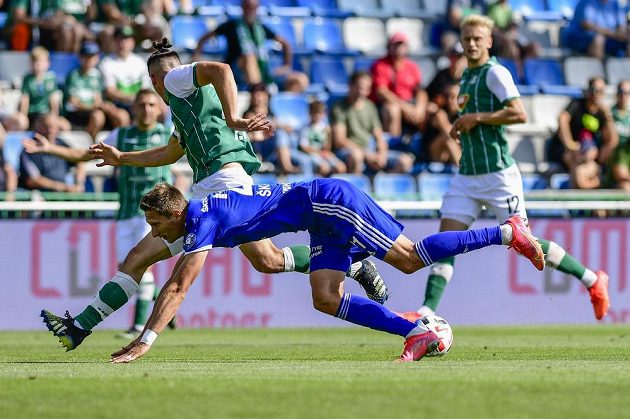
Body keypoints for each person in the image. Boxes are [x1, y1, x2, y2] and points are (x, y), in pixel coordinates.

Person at [39, 38, 387, 352]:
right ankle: (353, 265)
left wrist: (235, 117)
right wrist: (122, 158)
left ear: (154, 80)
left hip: (223, 185)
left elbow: (220, 68)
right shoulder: (186, 109)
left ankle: (90, 330)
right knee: (266, 260)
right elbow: (170, 153)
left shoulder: (175, 81)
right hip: (218, 182)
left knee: (156, 264)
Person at [44, 179, 544, 363]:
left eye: (156, 224)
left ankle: (506, 232)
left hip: (331, 203)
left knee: (410, 258)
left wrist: (144, 342)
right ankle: (415, 330)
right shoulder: (197, 211)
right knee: (324, 296)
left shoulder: (202, 219)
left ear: (173, 213)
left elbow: (178, 284)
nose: (156, 232)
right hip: (316, 216)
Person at [398, 15, 610, 322]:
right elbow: (477, 118)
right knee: (447, 241)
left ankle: (593, 280)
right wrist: (462, 125)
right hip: (467, 175)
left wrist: (476, 118)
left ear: (488, 41)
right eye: (466, 38)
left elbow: (518, 112)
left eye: (476, 39)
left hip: (498, 176)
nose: (471, 43)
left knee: (527, 244)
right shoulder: (467, 77)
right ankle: (426, 312)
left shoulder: (495, 72)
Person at [24, 89, 175, 339]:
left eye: (151, 104)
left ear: (159, 109)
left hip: (152, 216)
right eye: (142, 105)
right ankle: (165, 304)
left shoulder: (167, 135)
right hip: (126, 211)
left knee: (140, 267)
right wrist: (50, 148)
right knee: (126, 270)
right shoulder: (121, 135)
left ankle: (138, 327)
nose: (147, 109)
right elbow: (85, 155)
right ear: (134, 109)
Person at [192, 0, 308, 92]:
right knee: (249, 58)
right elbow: (204, 38)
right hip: (235, 70)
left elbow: (286, 44)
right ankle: (257, 91)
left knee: (300, 80)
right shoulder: (231, 25)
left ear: (257, 9)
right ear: (243, 7)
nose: (250, 10)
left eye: (253, 7)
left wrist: (286, 66)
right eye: (247, 7)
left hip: (263, 69)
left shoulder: (260, 27)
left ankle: (282, 110)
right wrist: (197, 55)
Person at [331, 71, 414, 175]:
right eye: (359, 87)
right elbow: (340, 140)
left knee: (405, 161)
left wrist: (382, 154)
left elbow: (379, 136)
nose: (362, 92)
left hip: (370, 150)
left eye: (366, 88)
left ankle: (385, 186)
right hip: (349, 151)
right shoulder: (339, 108)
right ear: (351, 86)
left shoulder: (370, 107)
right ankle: (355, 189)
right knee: (357, 156)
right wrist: (366, 154)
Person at [551, 77, 618, 189]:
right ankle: (594, 186)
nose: (596, 94)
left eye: (600, 91)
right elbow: (562, 118)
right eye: (594, 90)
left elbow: (612, 140)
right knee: (578, 166)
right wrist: (569, 143)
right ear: (588, 90)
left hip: (588, 155)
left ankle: (588, 188)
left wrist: (608, 117)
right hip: (570, 152)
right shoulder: (577, 104)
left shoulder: (602, 113)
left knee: (583, 170)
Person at [63, 41, 130, 139]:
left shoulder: (97, 75)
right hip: (77, 113)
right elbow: (74, 103)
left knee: (121, 115)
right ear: (80, 57)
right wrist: (97, 106)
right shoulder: (73, 75)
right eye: (86, 56)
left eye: (92, 56)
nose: (89, 60)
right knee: (98, 116)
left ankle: (120, 145)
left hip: (94, 109)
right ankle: (89, 147)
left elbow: (97, 99)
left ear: (97, 58)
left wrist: (106, 107)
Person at [370, 33, 428, 137]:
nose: (399, 48)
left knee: (432, 110)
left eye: (402, 45)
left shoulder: (412, 66)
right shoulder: (380, 65)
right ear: (389, 47)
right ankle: (394, 146)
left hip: (410, 102)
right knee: (392, 110)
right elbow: (382, 92)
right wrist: (405, 107)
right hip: (389, 104)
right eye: (396, 45)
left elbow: (420, 90)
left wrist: (420, 108)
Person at [18, 114, 85, 193]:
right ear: (37, 127)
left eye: (53, 126)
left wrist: (79, 184)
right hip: (38, 195)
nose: (50, 130)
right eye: (46, 126)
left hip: (62, 194)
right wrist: (63, 187)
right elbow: (32, 180)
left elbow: (79, 160)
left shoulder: (62, 144)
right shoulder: (30, 148)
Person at [99, 26, 152, 114]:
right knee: (123, 115)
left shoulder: (140, 62)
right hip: (117, 104)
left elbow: (145, 88)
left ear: (133, 42)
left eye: (126, 40)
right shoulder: (106, 63)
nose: (122, 43)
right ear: (114, 42)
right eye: (119, 39)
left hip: (139, 103)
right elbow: (110, 92)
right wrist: (133, 98)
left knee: (160, 108)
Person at [19, 47, 71, 131]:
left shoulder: (51, 78)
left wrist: (55, 117)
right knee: (42, 125)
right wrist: (24, 117)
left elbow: (53, 100)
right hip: (33, 114)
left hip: (47, 114)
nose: (38, 65)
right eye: (35, 62)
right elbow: (25, 100)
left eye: (41, 62)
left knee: (65, 126)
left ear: (48, 63)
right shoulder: (28, 79)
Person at [563, 0, 629, 59]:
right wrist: (613, 34)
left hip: (609, 37)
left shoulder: (615, 3)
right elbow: (586, 25)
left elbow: (622, 25)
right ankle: (597, 69)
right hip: (581, 37)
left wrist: (621, 33)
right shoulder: (587, 2)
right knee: (599, 39)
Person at [298, 101, 346, 177]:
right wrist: (320, 153)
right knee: (324, 168)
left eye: (321, 113)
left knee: (341, 167)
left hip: (323, 154)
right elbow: (304, 147)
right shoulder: (305, 128)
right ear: (310, 113)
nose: (318, 116)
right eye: (316, 113)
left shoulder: (324, 128)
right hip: (312, 154)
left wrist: (329, 136)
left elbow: (327, 148)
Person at [606, 80, 630, 191]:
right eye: (621, 91)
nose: (624, 95)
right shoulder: (609, 113)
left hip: (626, 154)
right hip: (615, 156)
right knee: (626, 187)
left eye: (627, 92)